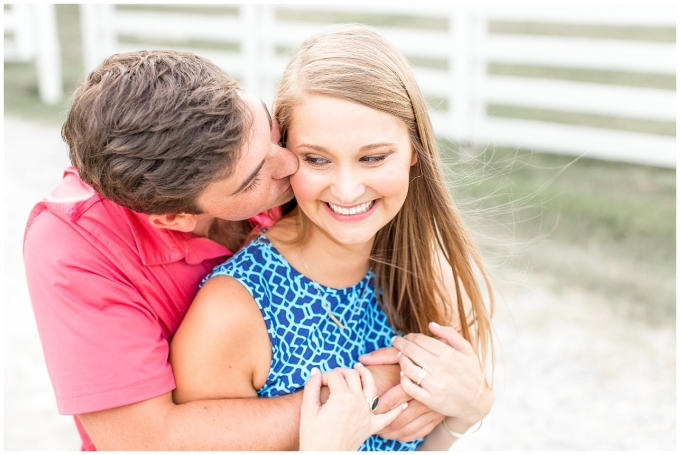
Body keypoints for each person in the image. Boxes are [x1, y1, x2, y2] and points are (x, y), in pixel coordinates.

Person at [23, 50, 441, 450]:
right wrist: (390, 384)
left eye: (268, 131)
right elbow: (144, 441)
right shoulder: (73, 250)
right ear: (175, 218)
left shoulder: (262, 157)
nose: (290, 164)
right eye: (256, 177)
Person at [170, 25, 495, 451]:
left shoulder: (428, 278)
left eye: (373, 157)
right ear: (285, 155)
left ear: (415, 150)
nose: (346, 190)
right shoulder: (232, 313)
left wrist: (468, 412)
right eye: (317, 159)